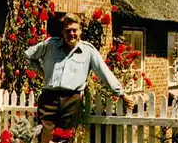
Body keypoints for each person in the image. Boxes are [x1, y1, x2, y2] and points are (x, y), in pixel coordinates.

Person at [25, 13, 135, 143]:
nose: (71, 33)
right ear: (62, 31)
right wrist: (42, 72)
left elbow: (104, 73)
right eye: (68, 30)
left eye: (74, 30)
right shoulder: (50, 45)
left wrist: (122, 94)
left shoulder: (88, 51)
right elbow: (29, 55)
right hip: (49, 97)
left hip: (72, 100)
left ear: (80, 31)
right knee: (45, 133)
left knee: (65, 137)